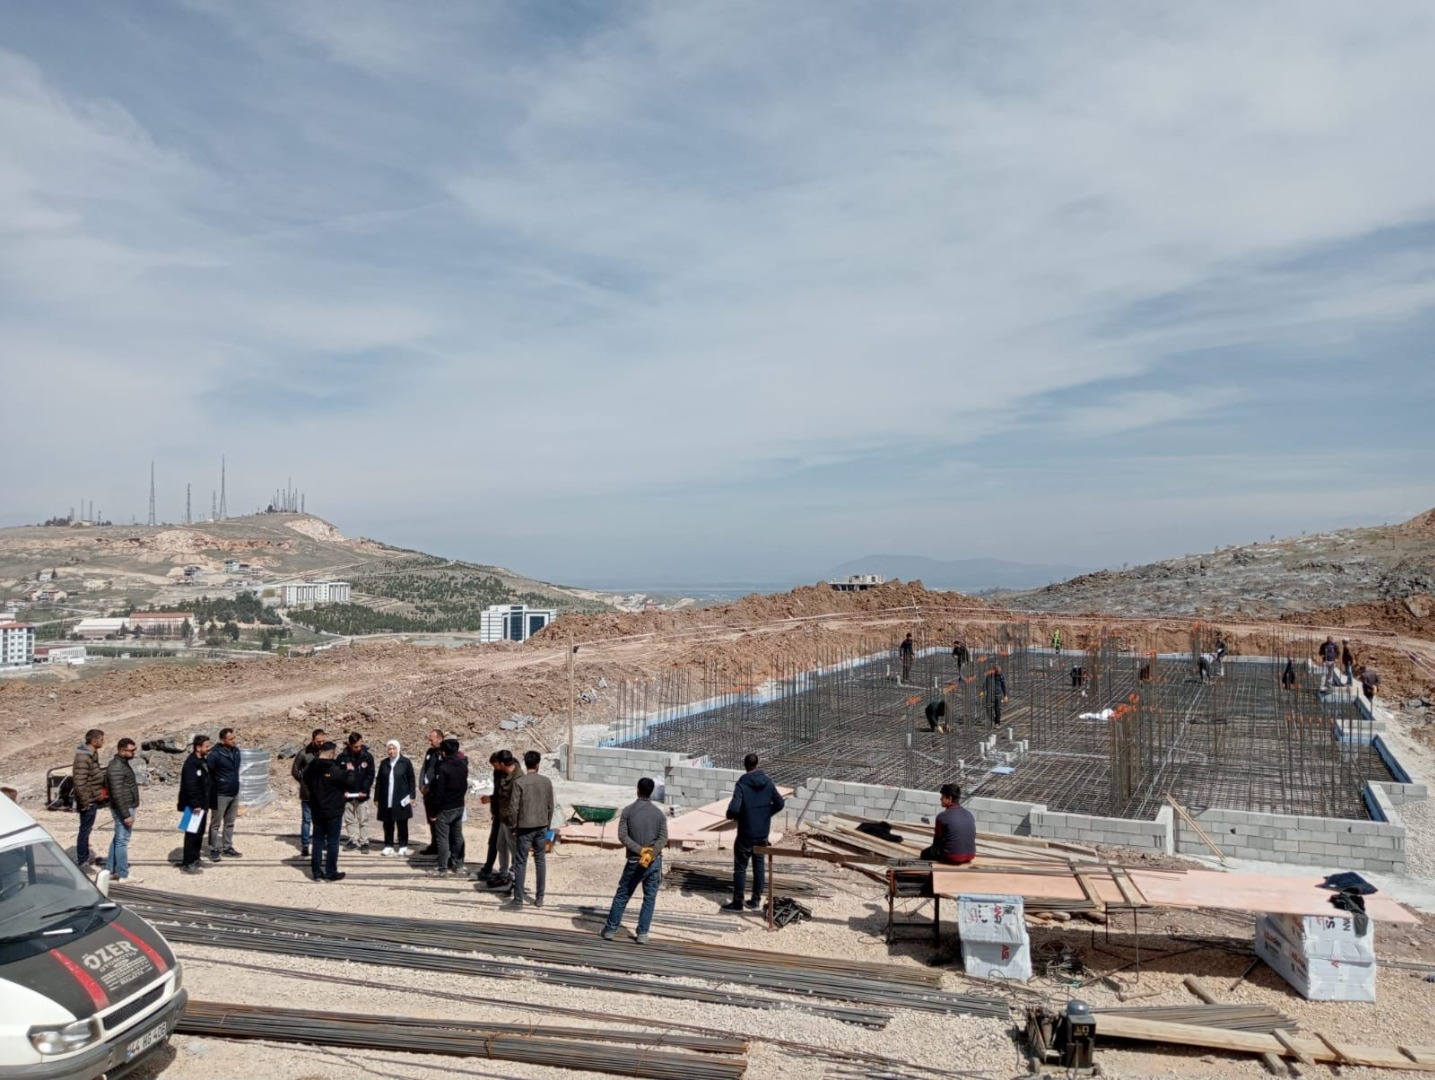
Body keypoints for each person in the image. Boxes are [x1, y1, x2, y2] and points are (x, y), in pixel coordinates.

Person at [601, 777, 669, 943]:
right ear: (651, 791)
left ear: (637, 789)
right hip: (653, 863)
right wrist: (650, 854)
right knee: (649, 898)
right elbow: (663, 838)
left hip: (633, 862)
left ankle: (610, 929)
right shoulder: (659, 814)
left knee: (623, 895)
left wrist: (639, 850)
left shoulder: (628, 811)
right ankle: (643, 934)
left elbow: (622, 836)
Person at [721, 753, 786, 912]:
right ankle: (755, 901)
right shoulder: (768, 782)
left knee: (741, 868)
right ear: (757, 764)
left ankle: (737, 903)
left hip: (745, 834)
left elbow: (734, 809)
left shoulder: (742, 784)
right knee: (759, 866)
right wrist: (765, 814)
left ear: (745, 765)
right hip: (762, 834)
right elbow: (779, 803)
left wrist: (732, 816)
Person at [504, 750, 556, 911]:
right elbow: (550, 806)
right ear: (538, 764)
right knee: (540, 861)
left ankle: (518, 899)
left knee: (521, 863)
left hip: (524, 827)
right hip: (541, 826)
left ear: (525, 764)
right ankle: (540, 898)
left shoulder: (520, 782)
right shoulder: (546, 782)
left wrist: (513, 826)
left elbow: (513, 808)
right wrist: (547, 825)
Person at [304, 741, 347, 882]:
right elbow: (348, 782)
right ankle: (331, 872)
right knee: (333, 842)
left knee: (317, 841)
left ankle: (316, 873)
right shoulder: (333, 769)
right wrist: (350, 770)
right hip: (333, 810)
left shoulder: (311, 767)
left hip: (317, 808)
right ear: (331, 753)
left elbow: (305, 779)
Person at [473, 750, 516, 887]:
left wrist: (490, 799)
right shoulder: (500, 773)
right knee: (497, 843)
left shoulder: (514, 776)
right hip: (499, 813)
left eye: (495, 765)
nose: (495, 769)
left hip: (508, 815)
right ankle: (499, 872)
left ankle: (513, 875)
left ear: (500, 763)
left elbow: (506, 796)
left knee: (511, 846)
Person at [105, 737, 142, 884]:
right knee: (122, 841)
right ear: (122, 750)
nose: (134, 753)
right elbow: (117, 793)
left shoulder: (122, 764)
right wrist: (126, 814)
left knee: (118, 839)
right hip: (124, 807)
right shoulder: (116, 767)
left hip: (126, 805)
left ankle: (112, 869)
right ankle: (123, 874)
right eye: (131, 750)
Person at [429, 738, 468, 876]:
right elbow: (464, 786)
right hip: (459, 805)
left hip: (445, 807)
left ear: (443, 752)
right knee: (457, 836)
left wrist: (433, 811)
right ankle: (458, 864)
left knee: (442, 838)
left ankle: (443, 868)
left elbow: (439, 792)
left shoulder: (443, 768)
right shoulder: (463, 765)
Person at [177, 734, 212, 875]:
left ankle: (195, 858)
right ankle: (188, 862)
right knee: (192, 834)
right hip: (193, 806)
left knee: (199, 833)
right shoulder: (191, 764)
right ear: (198, 748)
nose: (209, 749)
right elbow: (190, 786)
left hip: (202, 804)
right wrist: (195, 804)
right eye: (206, 746)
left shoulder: (201, 761)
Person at [207, 727, 243, 861]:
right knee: (215, 824)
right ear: (223, 740)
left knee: (230, 822)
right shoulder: (215, 754)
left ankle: (227, 846)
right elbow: (209, 772)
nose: (234, 741)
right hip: (220, 793)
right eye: (231, 739)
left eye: (234, 738)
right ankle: (213, 848)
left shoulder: (236, 751)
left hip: (234, 792)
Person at [72, 728, 106, 868]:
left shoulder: (91, 754)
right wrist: (85, 801)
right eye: (101, 739)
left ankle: (84, 856)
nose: (103, 742)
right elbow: (79, 782)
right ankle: (82, 860)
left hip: (92, 797)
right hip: (88, 801)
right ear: (94, 741)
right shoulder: (83, 758)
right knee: (85, 830)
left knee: (87, 829)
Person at [375, 739, 416, 856]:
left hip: (401, 797)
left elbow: (411, 780)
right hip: (386, 797)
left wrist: (412, 796)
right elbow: (379, 781)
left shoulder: (405, 762)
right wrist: (376, 797)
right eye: (389, 749)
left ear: (398, 749)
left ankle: (403, 845)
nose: (391, 751)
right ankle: (388, 845)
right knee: (387, 823)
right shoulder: (384, 763)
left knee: (402, 823)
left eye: (394, 748)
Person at [920, 783, 976, 865]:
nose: (940, 799)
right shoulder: (969, 814)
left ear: (949, 798)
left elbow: (936, 844)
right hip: (971, 855)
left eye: (942, 797)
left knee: (924, 854)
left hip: (952, 856)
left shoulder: (942, 817)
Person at [338, 732, 376, 852]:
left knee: (363, 819)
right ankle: (352, 840)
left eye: (360, 746)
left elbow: (370, 775)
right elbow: (338, 775)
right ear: (350, 745)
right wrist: (343, 790)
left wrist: (364, 789)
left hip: (362, 794)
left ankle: (364, 842)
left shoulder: (367, 757)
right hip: (348, 794)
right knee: (349, 819)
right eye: (356, 747)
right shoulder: (342, 757)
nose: (358, 748)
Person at [292, 727, 326, 858]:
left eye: (323, 741)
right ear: (313, 740)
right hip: (308, 793)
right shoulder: (303, 753)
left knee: (322, 819)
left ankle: (323, 843)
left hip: (322, 792)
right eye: (318, 741)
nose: (321, 743)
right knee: (307, 820)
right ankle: (305, 846)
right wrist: (305, 780)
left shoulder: (326, 751)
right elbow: (295, 771)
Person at [417, 727, 444, 855]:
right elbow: (424, 768)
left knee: (438, 819)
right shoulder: (430, 752)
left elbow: (439, 773)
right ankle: (434, 844)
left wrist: (429, 787)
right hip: (426, 791)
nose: (430, 742)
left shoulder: (443, 753)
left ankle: (441, 846)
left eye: (431, 739)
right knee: (430, 819)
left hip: (435, 792)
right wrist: (421, 784)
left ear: (439, 738)